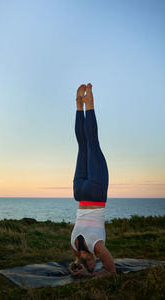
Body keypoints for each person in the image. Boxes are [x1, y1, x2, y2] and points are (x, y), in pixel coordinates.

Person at [69, 83, 116, 277]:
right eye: (94, 265)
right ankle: (79, 105)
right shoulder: (74, 246)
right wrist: (83, 271)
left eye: (90, 263)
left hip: (95, 194)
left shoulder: (97, 247)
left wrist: (90, 275)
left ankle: (89, 104)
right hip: (79, 193)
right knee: (82, 145)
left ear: (84, 262)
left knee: (91, 143)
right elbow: (100, 266)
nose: (94, 261)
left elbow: (111, 270)